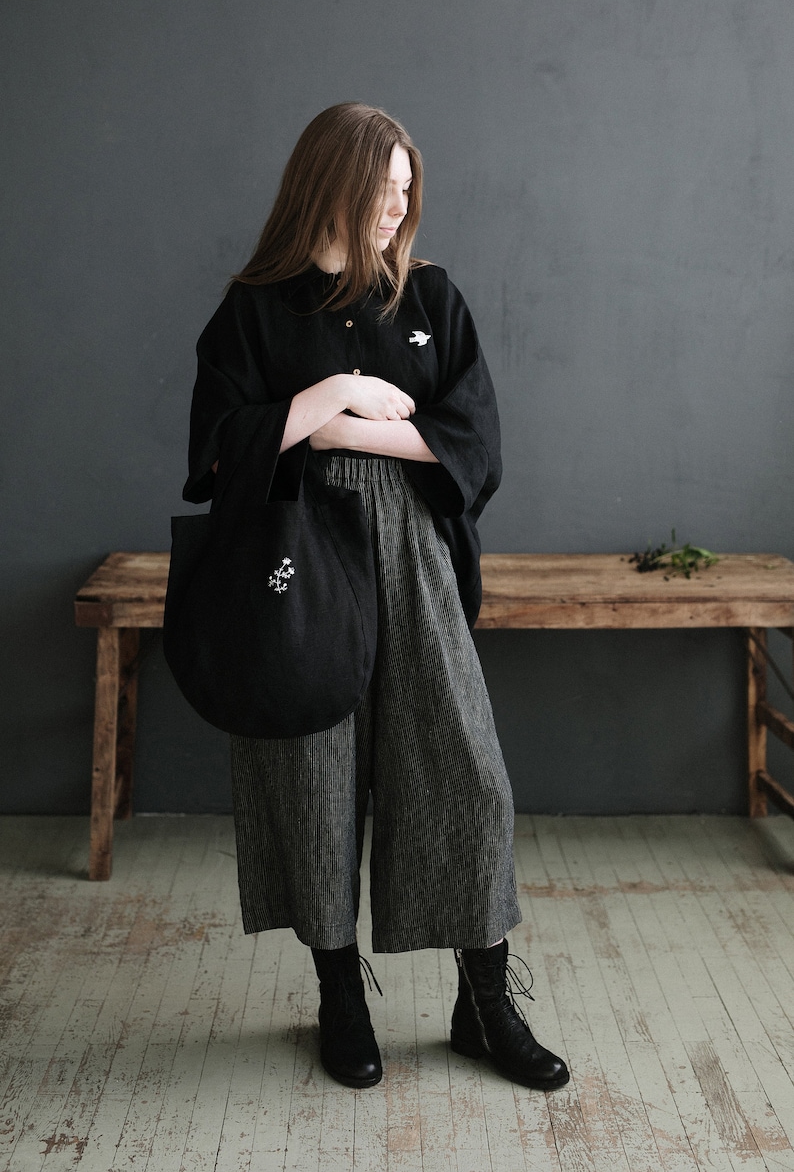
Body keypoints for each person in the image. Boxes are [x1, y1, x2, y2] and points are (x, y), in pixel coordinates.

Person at [184, 102, 569, 1092]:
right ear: (331, 186)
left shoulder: (432, 297)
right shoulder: (256, 307)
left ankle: (483, 1003)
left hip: (416, 556)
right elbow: (220, 448)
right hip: (299, 567)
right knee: (311, 783)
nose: (399, 206)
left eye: (407, 188)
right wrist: (331, 396)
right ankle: (338, 998)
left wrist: (338, 431)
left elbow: (472, 444)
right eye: (381, 188)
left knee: (462, 772)